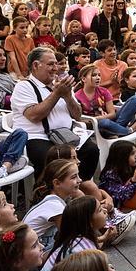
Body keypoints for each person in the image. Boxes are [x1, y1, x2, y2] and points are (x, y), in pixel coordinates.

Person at [10, 47, 100, 180]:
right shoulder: (24, 86)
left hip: (66, 135)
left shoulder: (60, 85)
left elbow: (77, 115)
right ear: (35, 65)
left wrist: (68, 96)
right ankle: (51, 191)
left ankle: (79, 186)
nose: (55, 68)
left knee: (91, 150)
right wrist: (57, 93)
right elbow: (34, 116)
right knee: (57, 160)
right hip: (39, 137)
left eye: (56, 64)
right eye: (51, 64)